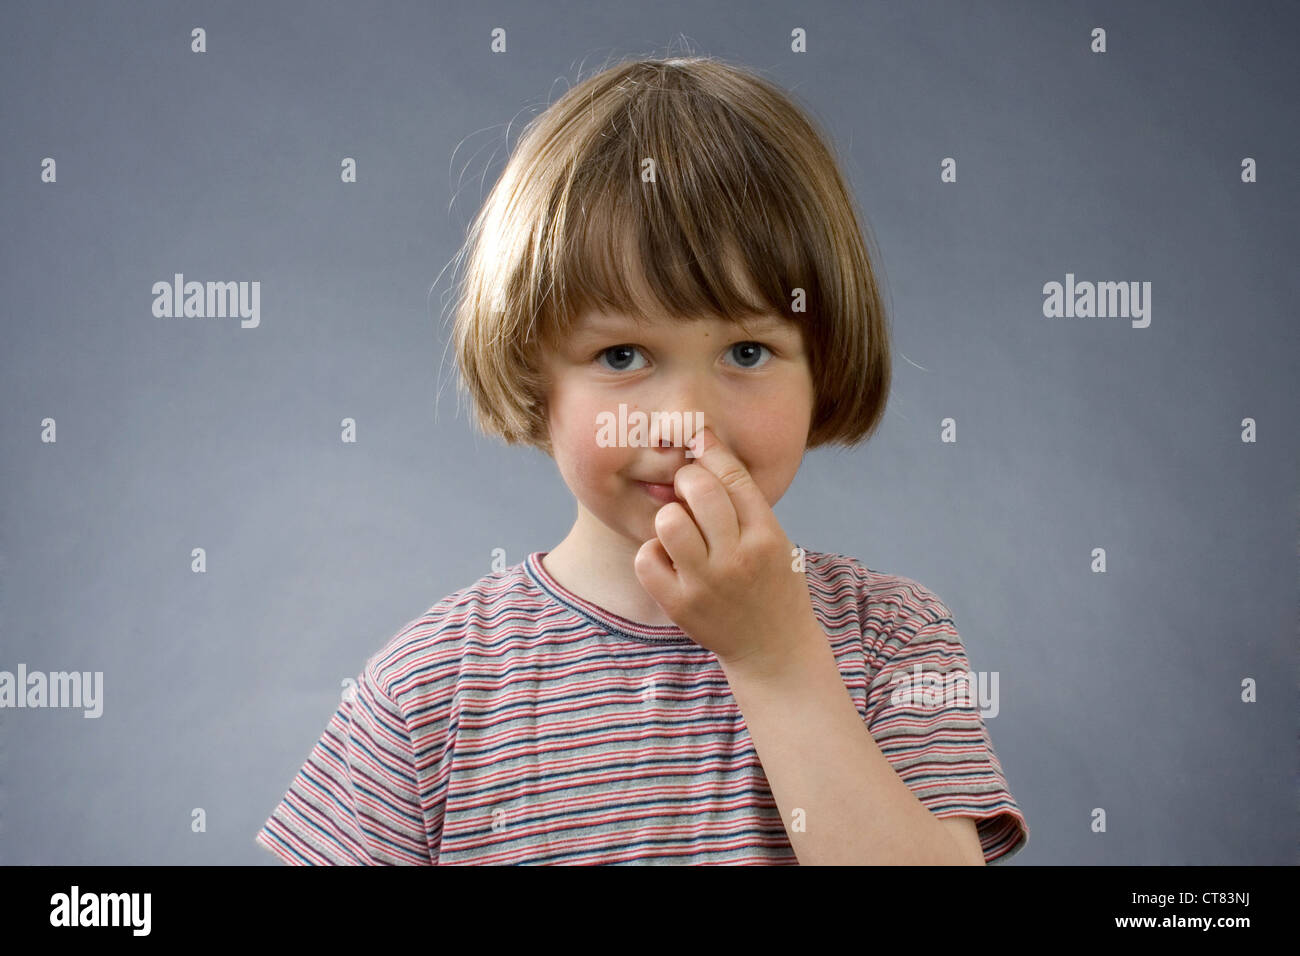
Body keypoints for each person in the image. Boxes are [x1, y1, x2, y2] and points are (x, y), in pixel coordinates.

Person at [255, 54, 1029, 865]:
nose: (687, 423)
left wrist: (775, 662)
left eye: (748, 351)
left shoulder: (894, 638)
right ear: (532, 371)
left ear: (826, 364)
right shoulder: (430, 690)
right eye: (622, 355)